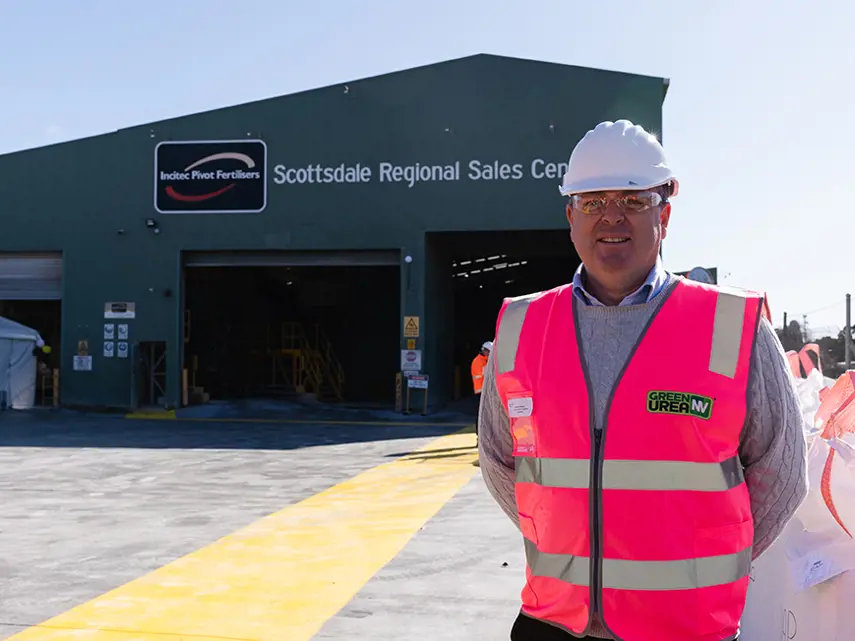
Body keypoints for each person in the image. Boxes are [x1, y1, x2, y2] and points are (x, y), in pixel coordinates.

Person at [477, 119, 808, 641]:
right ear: (570, 217)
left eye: (633, 200)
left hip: (684, 627)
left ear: (665, 215)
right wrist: (573, 549)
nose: (611, 216)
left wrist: (699, 566)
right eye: (592, 201)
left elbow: (782, 474)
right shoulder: (521, 327)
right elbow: (500, 461)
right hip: (552, 623)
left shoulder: (731, 326)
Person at [471, 341, 492, 440]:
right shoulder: (478, 362)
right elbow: (485, 375)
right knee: (481, 415)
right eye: (489, 352)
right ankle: (480, 436)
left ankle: (485, 436)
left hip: (485, 391)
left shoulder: (485, 361)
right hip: (481, 391)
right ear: (485, 351)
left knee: (486, 415)